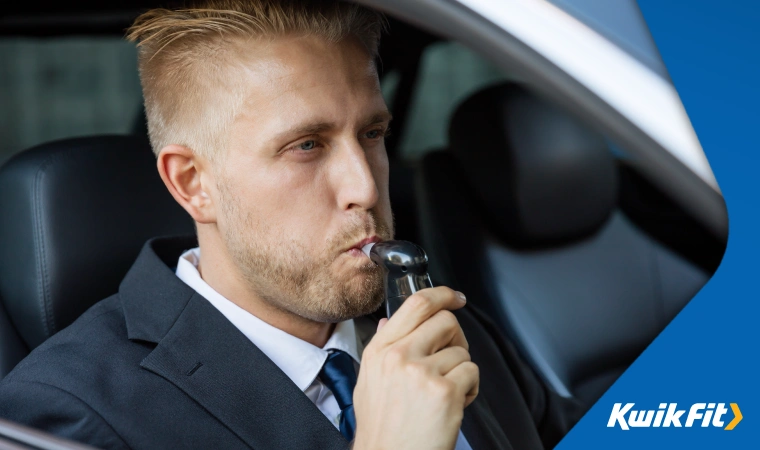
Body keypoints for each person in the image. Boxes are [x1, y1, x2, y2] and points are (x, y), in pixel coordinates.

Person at [0, 1, 582, 448]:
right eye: (306, 145)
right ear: (191, 183)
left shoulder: (431, 324)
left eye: (372, 134)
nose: (365, 187)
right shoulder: (66, 417)